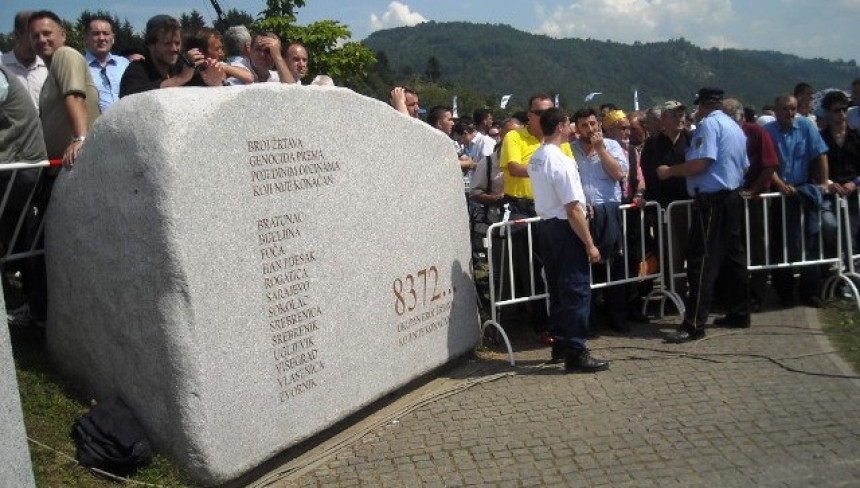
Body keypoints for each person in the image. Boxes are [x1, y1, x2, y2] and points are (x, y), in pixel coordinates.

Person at [657, 87, 750, 343]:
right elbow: (745, 165)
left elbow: (701, 162)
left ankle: (694, 323)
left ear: (704, 105)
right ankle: (740, 311)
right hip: (731, 195)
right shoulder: (734, 126)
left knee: (701, 261)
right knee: (733, 257)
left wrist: (669, 171)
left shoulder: (709, 126)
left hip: (712, 200)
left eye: (697, 107)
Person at [527, 107, 607, 372]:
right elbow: (573, 207)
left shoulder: (537, 157)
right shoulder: (560, 160)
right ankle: (575, 349)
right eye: (568, 124)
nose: (572, 127)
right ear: (561, 126)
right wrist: (589, 243)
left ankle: (561, 343)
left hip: (548, 226)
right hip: (564, 228)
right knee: (575, 289)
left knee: (558, 288)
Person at [764, 94, 830, 307]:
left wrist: (824, 183)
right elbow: (768, 164)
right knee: (779, 243)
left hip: (802, 190)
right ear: (776, 111)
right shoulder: (769, 131)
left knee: (810, 241)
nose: (790, 113)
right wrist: (780, 184)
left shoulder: (806, 126)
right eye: (785, 109)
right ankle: (783, 291)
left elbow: (820, 154)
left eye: (792, 108)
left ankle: (810, 290)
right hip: (779, 194)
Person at [571, 107, 630, 333]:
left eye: (593, 124)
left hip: (609, 210)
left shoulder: (613, 146)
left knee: (614, 265)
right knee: (587, 267)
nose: (590, 129)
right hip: (583, 214)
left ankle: (618, 317)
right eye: (584, 125)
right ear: (577, 128)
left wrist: (601, 149)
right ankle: (590, 320)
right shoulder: (571, 150)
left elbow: (619, 174)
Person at [30, 10, 99, 169]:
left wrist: (80, 139)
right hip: (63, 168)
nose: (41, 39)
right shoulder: (50, 73)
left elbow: (75, 96)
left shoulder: (65, 54)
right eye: (35, 36)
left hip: (76, 165)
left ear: (63, 35)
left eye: (47, 33)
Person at [119, 15, 226, 97]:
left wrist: (212, 82)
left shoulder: (182, 66)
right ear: (150, 45)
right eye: (167, 43)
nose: (174, 49)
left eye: (177, 43)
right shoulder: (137, 70)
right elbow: (131, 96)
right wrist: (180, 79)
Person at [820, 91, 860, 267]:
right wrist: (829, 183)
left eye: (844, 109)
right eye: (837, 110)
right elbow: (815, 167)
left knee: (853, 231)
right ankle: (838, 261)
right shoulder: (821, 138)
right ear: (828, 112)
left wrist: (855, 183)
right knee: (830, 225)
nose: (842, 114)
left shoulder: (857, 137)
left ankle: (852, 269)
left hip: (854, 192)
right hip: (830, 193)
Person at [1, 11, 48, 108]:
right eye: (33, 36)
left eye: (41, 35)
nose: (39, 40)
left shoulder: (47, 66)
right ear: (17, 35)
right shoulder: (2, 66)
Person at [83, 15, 130, 112]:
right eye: (95, 34)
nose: (101, 38)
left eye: (106, 33)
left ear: (113, 38)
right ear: (86, 38)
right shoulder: (79, 66)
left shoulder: (124, 64)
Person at [186, 27, 252, 86]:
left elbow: (249, 77)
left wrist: (223, 67)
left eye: (221, 48)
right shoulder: (189, 77)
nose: (222, 54)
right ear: (200, 52)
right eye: (217, 49)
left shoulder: (220, 65)